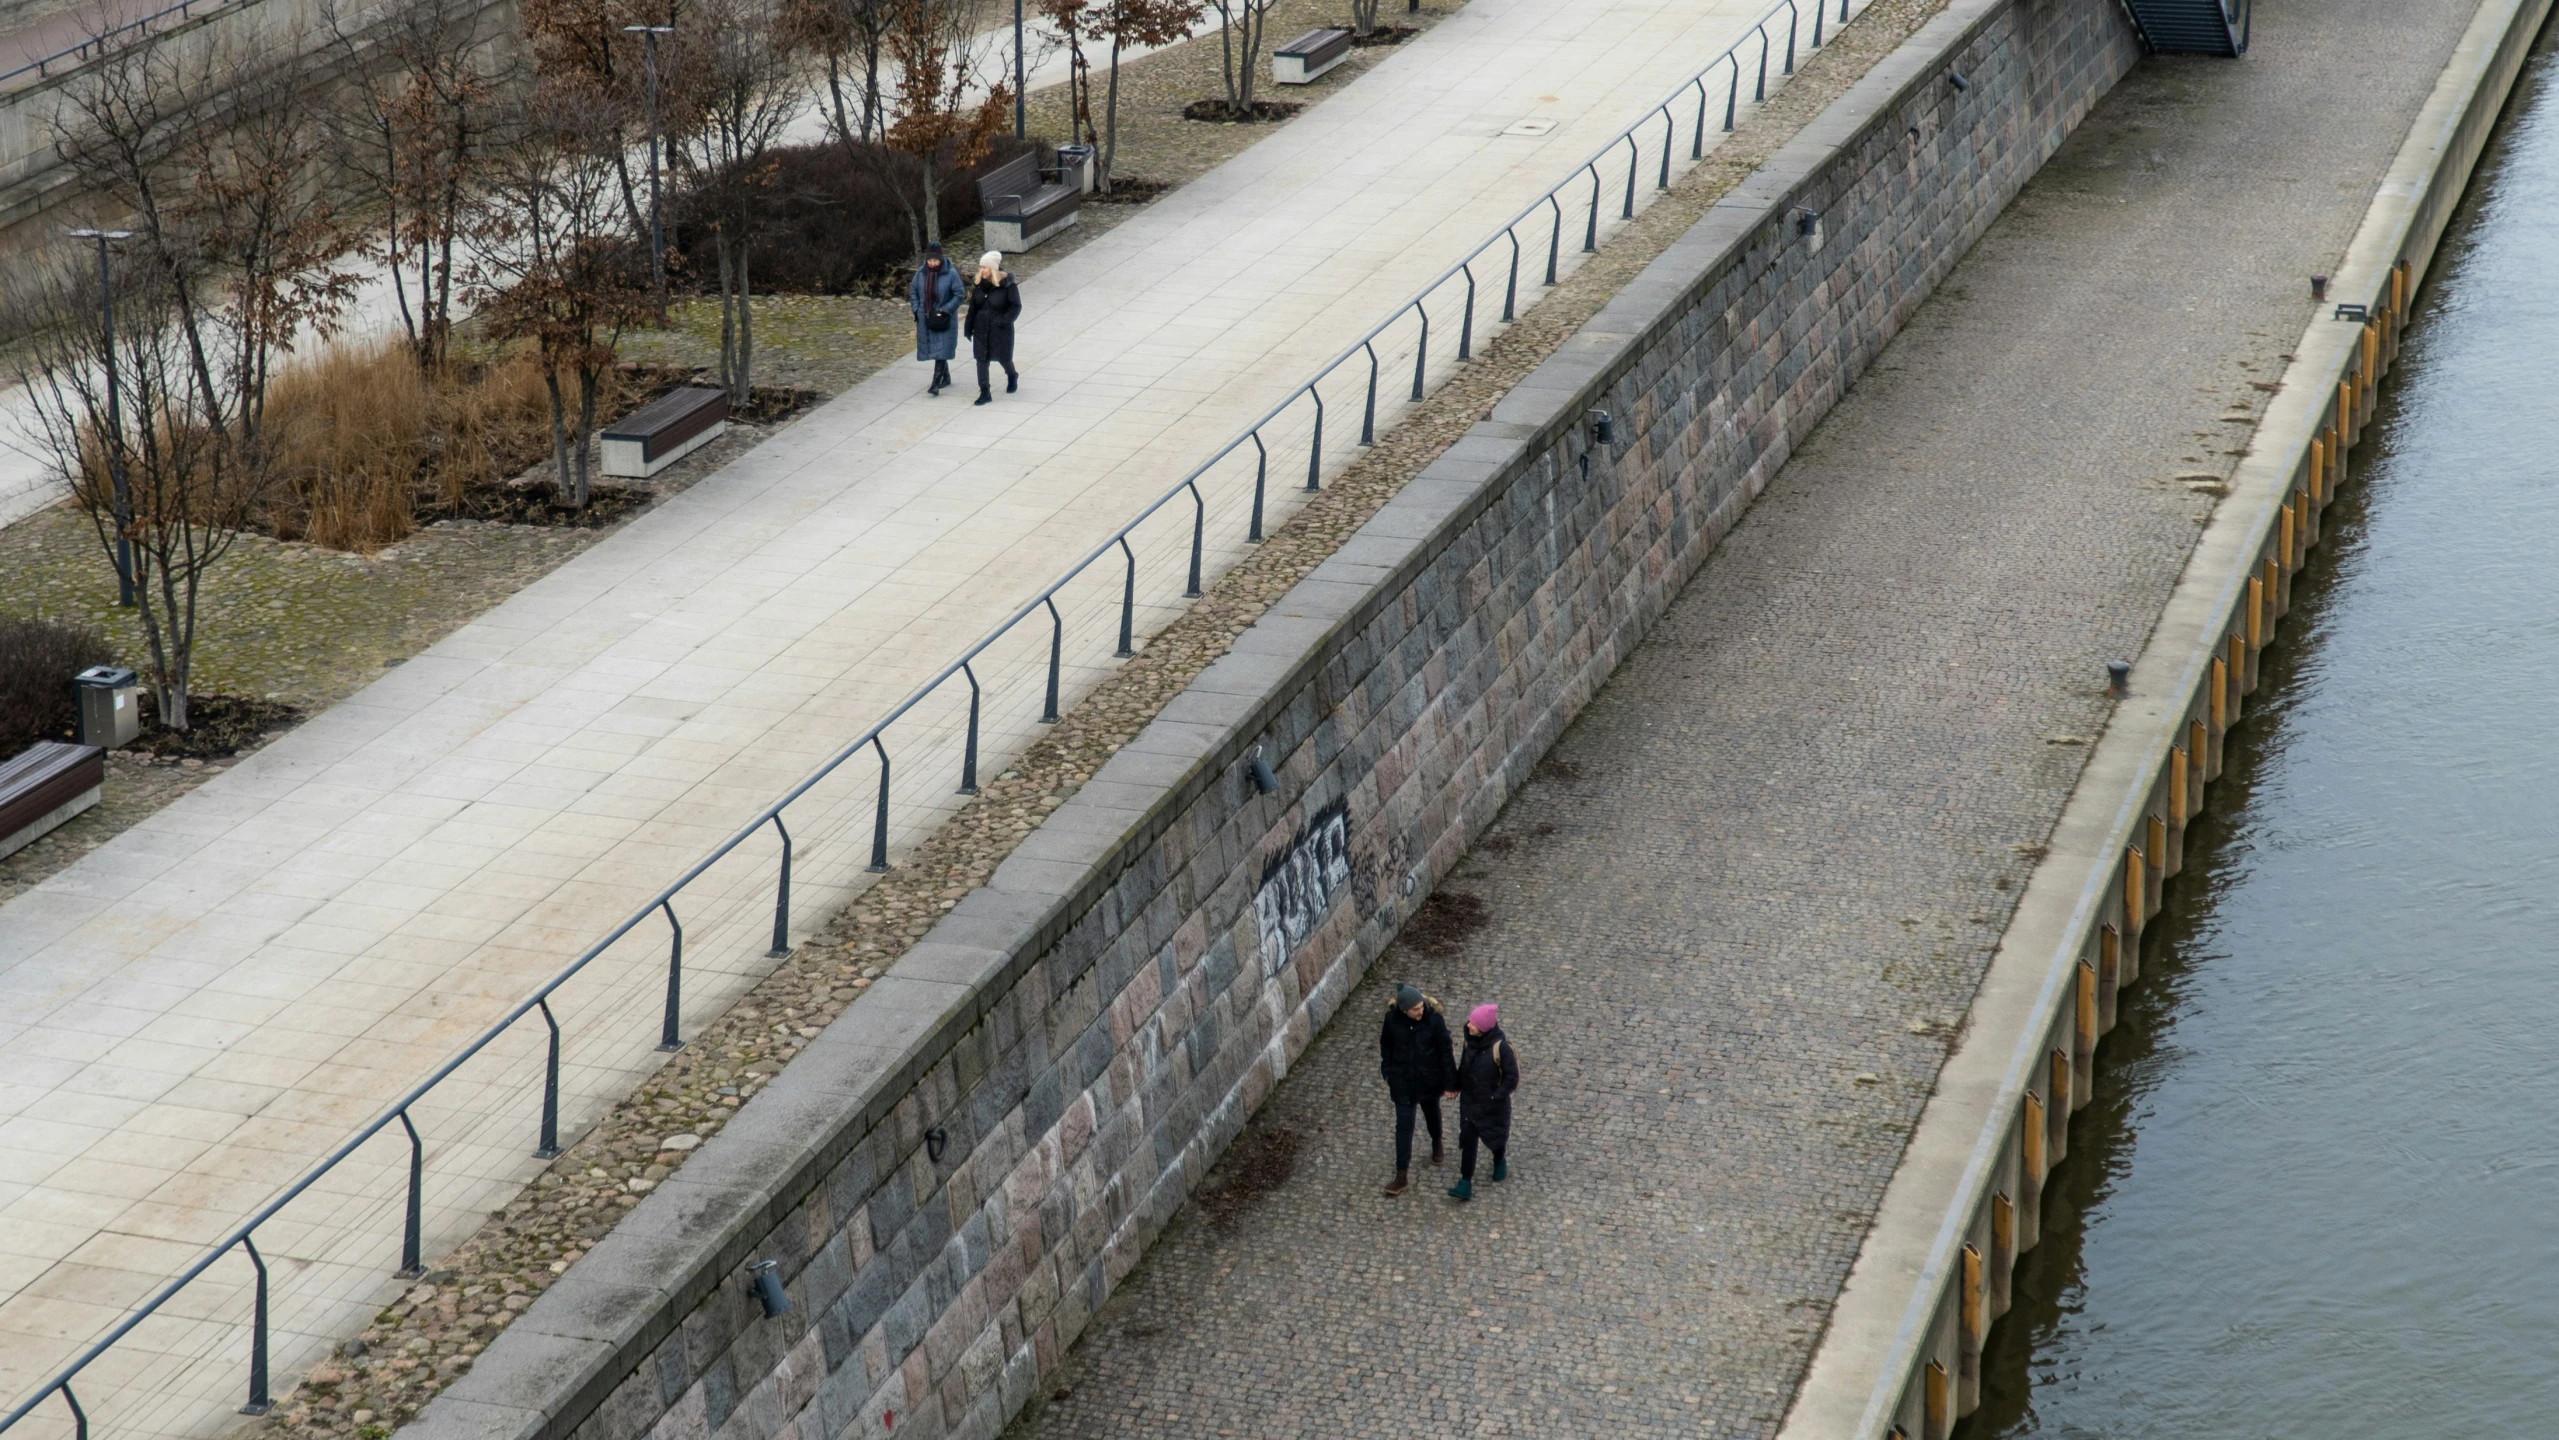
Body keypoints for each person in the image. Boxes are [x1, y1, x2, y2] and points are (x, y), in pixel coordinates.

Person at [1376, 983, 1454, 1196]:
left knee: (1432, 1115)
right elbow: (1386, 1045)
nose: (1421, 1011)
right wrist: (1387, 1071)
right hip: (1402, 1083)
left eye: (1421, 1006)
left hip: (1429, 1080)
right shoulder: (1392, 1021)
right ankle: (1401, 1175)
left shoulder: (1434, 1021)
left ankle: (1436, 1141)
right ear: (1404, 1010)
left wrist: (1450, 1083)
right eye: (1416, 1009)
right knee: (1403, 1126)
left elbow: (1446, 1053)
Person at [1447, 1002, 1519, 1202]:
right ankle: (1465, 1181)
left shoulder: (1501, 1048)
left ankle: (1499, 1158)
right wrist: (1454, 1086)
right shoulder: (1469, 1041)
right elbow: (1465, 1067)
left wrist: (1496, 1096)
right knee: (1468, 1139)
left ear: (1484, 1027)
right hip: (1470, 1102)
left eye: (1473, 1023)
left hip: (1493, 1105)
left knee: (1495, 1136)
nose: (1469, 1025)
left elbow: (1512, 1078)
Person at [963, 250, 1021, 405]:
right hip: (981, 330)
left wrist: (1004, 321)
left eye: (985, 267)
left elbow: (1015, 306)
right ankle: (985, 392)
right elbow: (973, 309)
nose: (982, 270)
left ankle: (1012, 375)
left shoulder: (1007, 286)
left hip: (1000, 330)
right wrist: (968, 328)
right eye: (981, 267)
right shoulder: (979, 287)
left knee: (1004, 358)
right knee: (981, 360)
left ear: (993, 269)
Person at [909, 243, 962, 395]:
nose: (932, 263)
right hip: (926, 316)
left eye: (935, 260)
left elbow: (959, 294)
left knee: (941, 348)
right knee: (937, 348)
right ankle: (946, 377)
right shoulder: (921, 273)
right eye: (929, 260)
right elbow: (913, 290)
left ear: (941, 259)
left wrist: (945, 309)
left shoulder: (951, 274)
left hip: (943, 318)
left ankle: (935, 384)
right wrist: (916, 308)